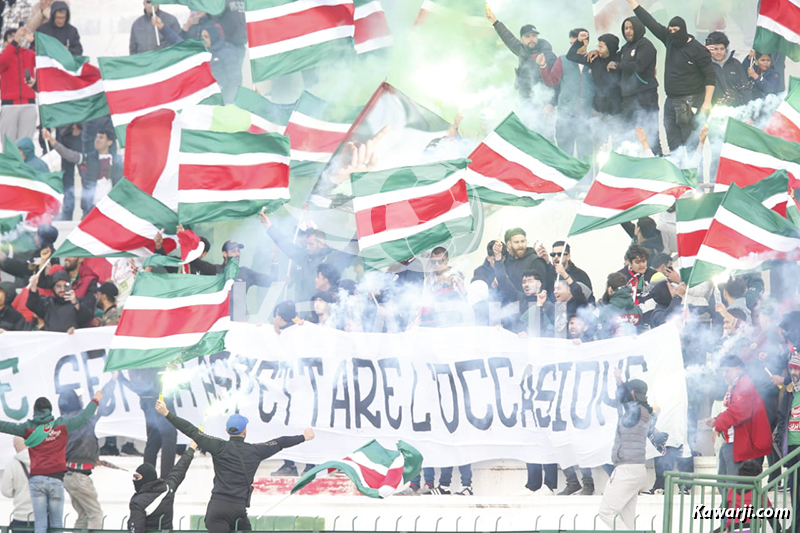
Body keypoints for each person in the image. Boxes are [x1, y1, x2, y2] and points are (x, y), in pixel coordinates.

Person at [156, 400, 314, 533]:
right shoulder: (256, 451)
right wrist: (303, 437)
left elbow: (192, 431)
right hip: (238, 510)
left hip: (217, 508)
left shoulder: (219, 446)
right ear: (245, 431)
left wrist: (167, 414)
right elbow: (280, 442)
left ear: (226, 431)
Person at [0, 391, 102, 533]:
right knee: (56, 524)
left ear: (34, 411)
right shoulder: (61, 425)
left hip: (37, 480)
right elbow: (84, 418)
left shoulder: (28, 428)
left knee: (40, 524)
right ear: (50, 410)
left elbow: (5, 426)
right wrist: (95, 400)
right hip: (56, 479)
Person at [625, 0, 716, 152]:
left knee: (689, 141)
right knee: (672, 141)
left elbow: (710, 76)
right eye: (670, 29)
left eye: (676, 30)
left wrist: (707, 102)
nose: (673, 33)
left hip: (691, 100)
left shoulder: (698, 50)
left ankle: (691, 172)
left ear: (684, 30)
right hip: (671, 100)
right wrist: (633, 3)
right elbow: (650, 22)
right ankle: (677, 168)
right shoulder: (669, 39)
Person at [598, 373, 666, 529]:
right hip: (636, 469)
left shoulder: (635, 411)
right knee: (627, 520)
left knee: (606, 512)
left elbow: (624, 400)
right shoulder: (644, 411)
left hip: (626, 469)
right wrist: (620, 383)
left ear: (633, 393)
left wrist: (620, 384)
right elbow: (625, 400)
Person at [260, 212, 350, 305]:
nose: (307, 247)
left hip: (324, 310)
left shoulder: (333, 257)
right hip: (303, 309)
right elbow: (287, 245)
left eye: (311, 244)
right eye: (307, 244)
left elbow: (352, 248)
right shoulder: (306, 256)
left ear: (321, 244)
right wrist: (270, 227)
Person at [705, 355, 772, 478]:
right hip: (733, 442)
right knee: (724, 483)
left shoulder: (744, 385)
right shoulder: (734, 385)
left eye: (727, 371)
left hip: (742, 444)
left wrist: (717, 422)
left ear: (738, 369)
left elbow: (739, 412)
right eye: (722, 371)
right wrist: (717, 424)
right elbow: (730, 410)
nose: (724, 374)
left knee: (734, 486)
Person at [59, 383, 115, 531]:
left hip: (68, 475)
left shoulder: (61, 422)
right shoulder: (84, 418)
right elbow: (102, 407)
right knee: (95, 514)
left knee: (83, 515)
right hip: (80, 477)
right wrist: (112, 382)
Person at [41, 127, 122, 217]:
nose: (97, 140)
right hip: (91, 208)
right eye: (97, 137)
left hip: (109, 207)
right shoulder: (88, 158)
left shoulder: (116, 161)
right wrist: (51, 140)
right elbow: (69, 155)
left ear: (109, 142)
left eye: (101, 138)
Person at [540, 28, 594, 161]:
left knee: (586, 155)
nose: (573, 47)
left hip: (586, 116)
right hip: (566, 115)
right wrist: (543, 66)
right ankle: (566, 182)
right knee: (564, 154)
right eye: (571, 44)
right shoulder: (563, 60)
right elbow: (551, 81)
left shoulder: (592, 60)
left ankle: (586, 181)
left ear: (585, 42)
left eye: (576, 42)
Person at [485, 6, 557, 102]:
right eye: (527, 36)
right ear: (521, 39)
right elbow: (508, 38)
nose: (531, 39)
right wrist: (495, 21)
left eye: (534, 36)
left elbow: (557, 79)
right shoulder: (521, 50)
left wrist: (551, 104)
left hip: (543, 100)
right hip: (524, 98)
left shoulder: (547, 54)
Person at [129, 441, 198, 533]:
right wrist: (191, 449)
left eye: (137, 477)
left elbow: (136, 530)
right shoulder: (168, 489)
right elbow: (179, 469)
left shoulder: (138, 503)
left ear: (147, 478)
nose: (133, 479)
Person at [616, 15, 661, 156]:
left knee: (649, 135)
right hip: (628, 99)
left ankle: (658, 169)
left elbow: (639, 66)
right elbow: (611, 59)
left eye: (631, 28)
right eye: (625, 28)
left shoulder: (645, 45)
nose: (628, 31)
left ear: (638, 28)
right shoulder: (625, 48)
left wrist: (618, 65)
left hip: (645, 97)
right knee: (628, 136)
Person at [567, 33, 622, 118]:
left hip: (616, 112)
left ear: (610, 47)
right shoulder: (594, 59)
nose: (598, 49)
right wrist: (579, 41)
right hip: (597, 110)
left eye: (601, 47)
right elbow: (570, 56)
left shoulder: (620, 60)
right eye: (598, 46)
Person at [774, 351, 800, 533]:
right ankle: (796, 524)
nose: (793, 372)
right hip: (790, 447)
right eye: (791, 368)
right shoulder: (789, 392)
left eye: (797, 368)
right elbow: (782, 418)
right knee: (794, 489)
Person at [0, 27, 36, 143]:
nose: (16, 38)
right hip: (9, 106)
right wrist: (15, 41)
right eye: (11, 37)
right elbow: (2, 63)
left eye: (17, 36)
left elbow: (42, 58)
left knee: (25, 145)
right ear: (5, 42)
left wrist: (33, 42)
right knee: (9, 145)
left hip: (28, 104)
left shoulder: (28, 54)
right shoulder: (4, 55)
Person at [26, 271, 94, 332]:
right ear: (53, 288)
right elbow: (32, 304)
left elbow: (87, 318)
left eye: (65, 286)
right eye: (58, 286)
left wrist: (75, 302)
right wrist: (33, 287)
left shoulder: (79, 302)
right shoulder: (48, 303)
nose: (62, 289)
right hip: (54, 343)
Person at [705, 31, 751, 107]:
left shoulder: (735, 64)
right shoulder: (705, 65)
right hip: (713, 110)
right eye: (715, 49)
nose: (719, 52)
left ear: (726, 49)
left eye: (721, 49)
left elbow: (745, 88)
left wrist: (747, 110)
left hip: (736, 110)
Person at [1, 437, 33, 533]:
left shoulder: (12, 464)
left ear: (15, 447)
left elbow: (5, 491)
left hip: (21, 517)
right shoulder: (40, 460)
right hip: (41, 517)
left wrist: (18, 491)